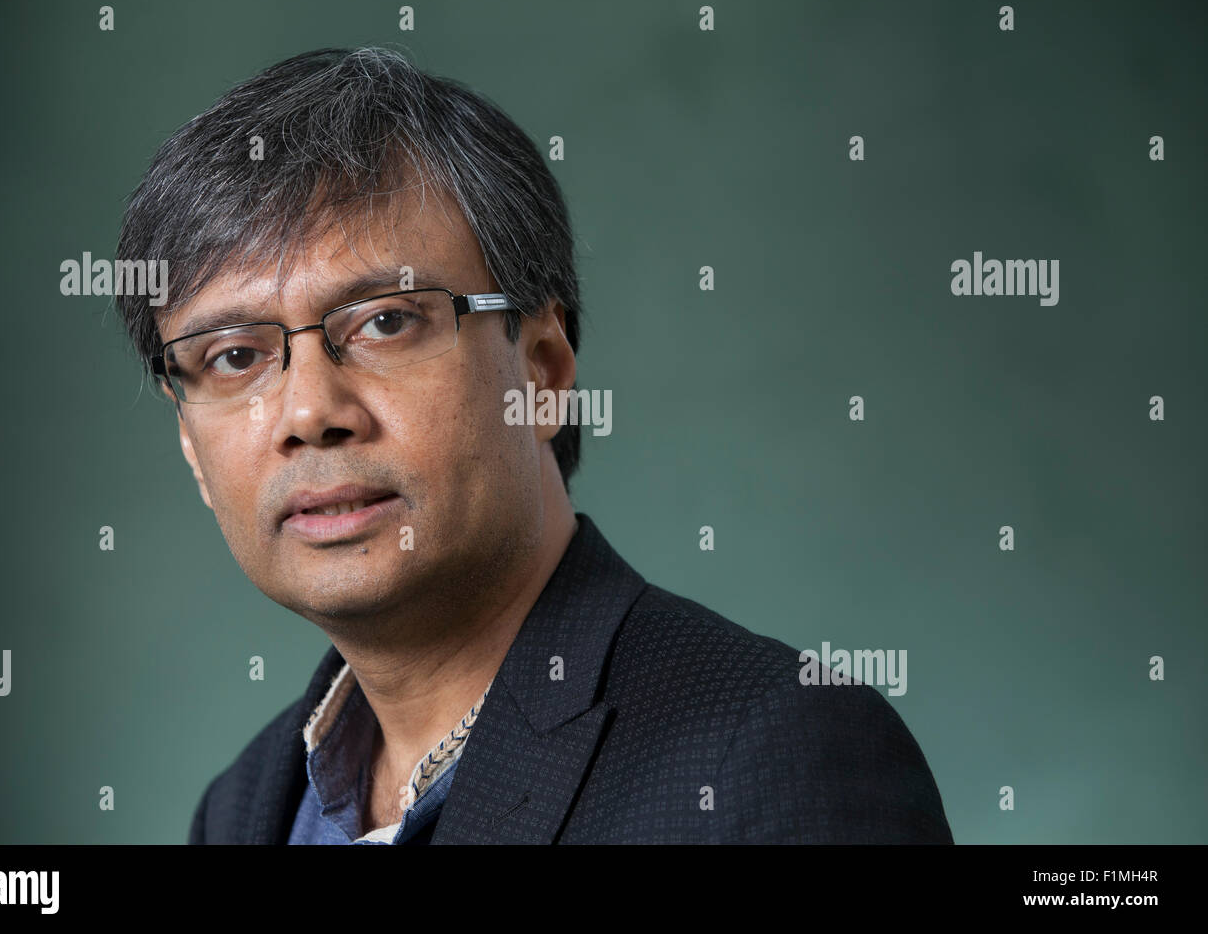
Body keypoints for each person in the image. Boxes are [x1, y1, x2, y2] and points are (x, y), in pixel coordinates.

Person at [114, 46, 953, 844]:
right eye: (233, 356)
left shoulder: (775, 755)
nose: (309, 412)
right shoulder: (244, 808)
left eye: (385, 322)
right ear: (192, 446)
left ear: (543, 373)